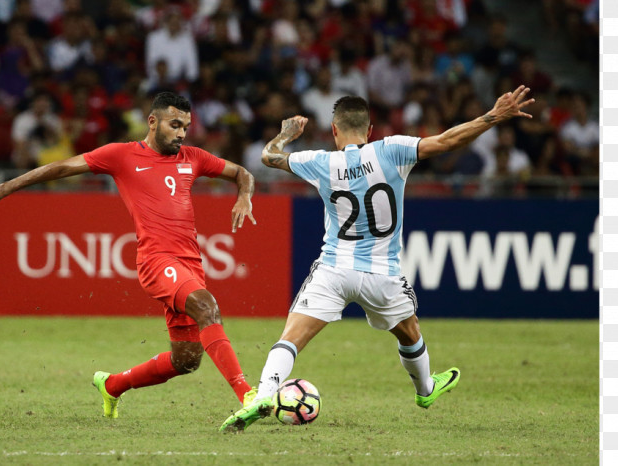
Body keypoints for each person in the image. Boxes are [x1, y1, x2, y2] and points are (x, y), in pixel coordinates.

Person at [220, 85, 535, 432]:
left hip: (334, 268)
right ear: (370, 131)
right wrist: (494, 116)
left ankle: (263, 393)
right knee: (410, 333)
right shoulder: (393, 150)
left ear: (334, 130)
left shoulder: (320, 161)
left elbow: (268, 156)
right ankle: (425, 389)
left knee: (291, 338)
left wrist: (285, 135)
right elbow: (447, 141)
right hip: (383, 274)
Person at [0, 92, 259, 419]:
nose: (181, 133)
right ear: (152, 122)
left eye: (186, 126)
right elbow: (63, 166)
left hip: (190, 264)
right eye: (175, 125)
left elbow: (241, 173)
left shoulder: (192, 157)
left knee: (187, 361)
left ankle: (112, 385)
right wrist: (3, 188)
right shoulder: (122, 155)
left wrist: (244, 196)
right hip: (157, 262)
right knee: (207, 306)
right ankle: (247, 396)